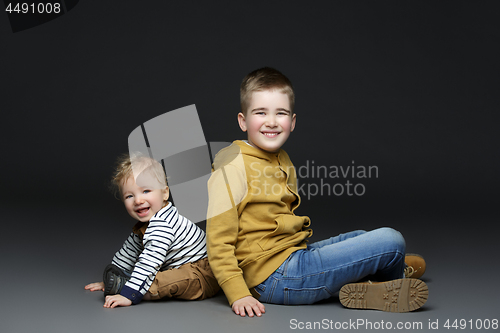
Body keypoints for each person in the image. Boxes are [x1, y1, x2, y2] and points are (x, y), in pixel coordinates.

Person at [206, 67, 427, 317]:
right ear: (243, 121)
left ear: (293, 121)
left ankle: (379, 277)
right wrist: (238, 293)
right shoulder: (232, 166)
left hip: (291, 256)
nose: (271, 121)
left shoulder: (280, 157)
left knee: (360, 236)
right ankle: (391, 276)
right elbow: (217, 240)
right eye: (260, 113)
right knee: (391, 240)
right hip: (275, 278)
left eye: (281, 113)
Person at [85, 153, 219, 308]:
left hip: (203, 273)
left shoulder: (163, 224)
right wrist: (110, 279)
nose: (138, 200)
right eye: (129, 196)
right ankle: (124, 283)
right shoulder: (146, 225)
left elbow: (150, 261)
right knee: (156, 273)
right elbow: (128, 253)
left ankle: (133, 290)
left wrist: (129, 295)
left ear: (164, 193)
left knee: (164, 280)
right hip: (181, 268)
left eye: (146, 191)